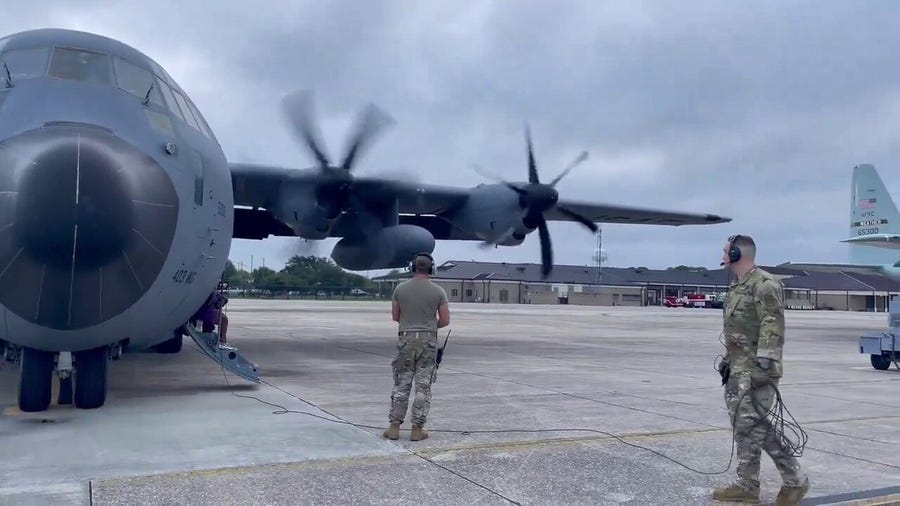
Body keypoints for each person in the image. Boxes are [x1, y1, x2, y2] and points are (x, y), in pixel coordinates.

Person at [713, 234, 809, 505]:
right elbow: (741, 331)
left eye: (725, 252)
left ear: (736, 255)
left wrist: (764, 365)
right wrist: (728, 360)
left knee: (754, 426)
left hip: (756, 370)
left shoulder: (765, 284)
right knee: (746, 427)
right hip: (738, 368)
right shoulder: (738, 286)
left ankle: (794, 480)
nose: (722, 256)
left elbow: (772, 326)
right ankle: (748, 485)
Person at [382, 252, 450, 442]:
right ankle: (417, 429)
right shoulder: (439, 291)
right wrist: (429, 327)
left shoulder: (400, 289)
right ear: (432, 269)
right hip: (428, 341)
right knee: (423, 386)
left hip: (406, 339)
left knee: (402, 384)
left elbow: (396, 316)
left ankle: (394, 427)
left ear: (412, 267)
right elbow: (445, 320)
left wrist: (411, 326)